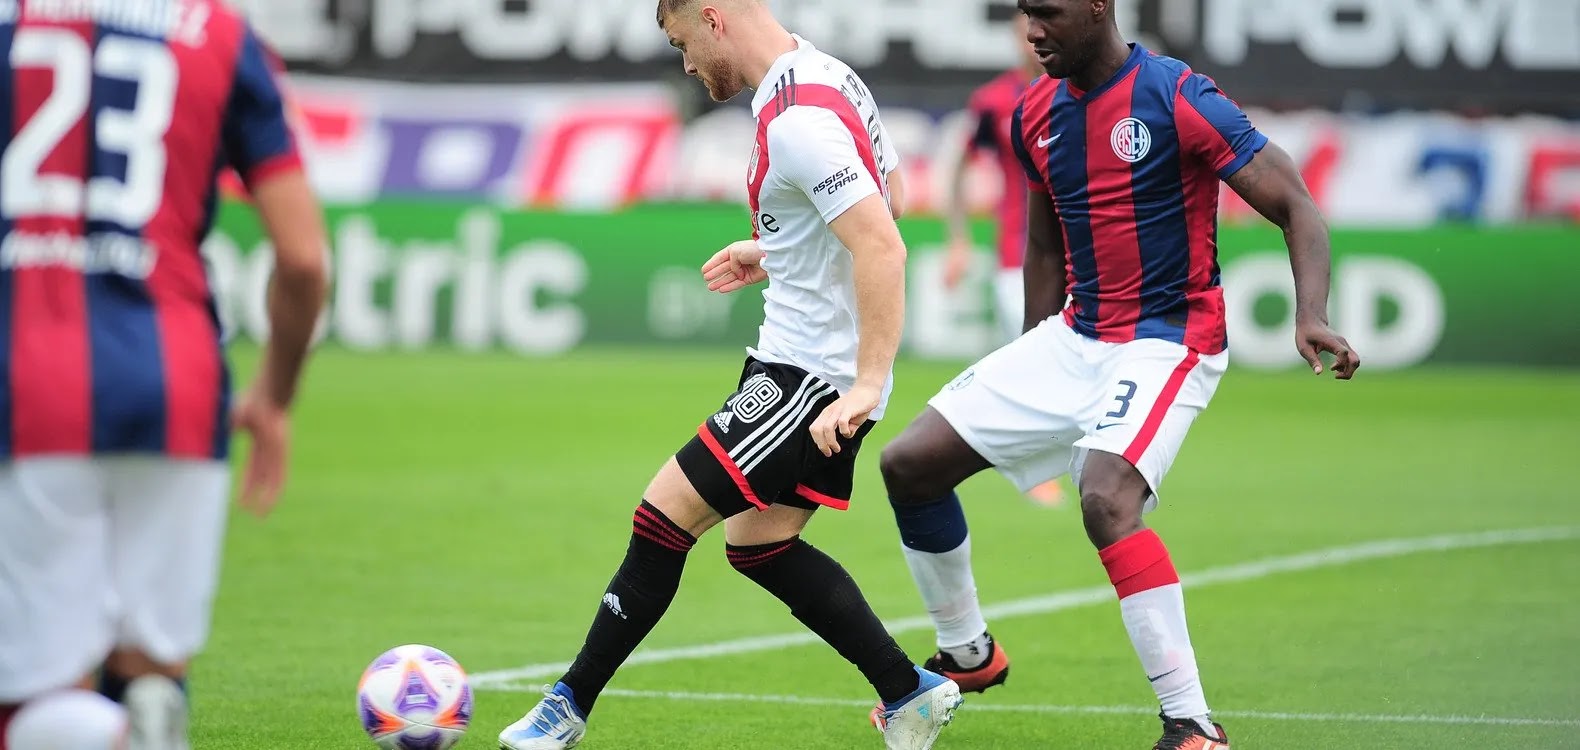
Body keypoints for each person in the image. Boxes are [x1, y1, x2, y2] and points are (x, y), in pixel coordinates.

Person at [875, 1, 1362, 748]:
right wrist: (1029, 360)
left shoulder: (1177, 95)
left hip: (1170, 338)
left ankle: (1192, 725)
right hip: (1076, 336)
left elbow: (1294, 201)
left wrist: (1312, 314)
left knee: (1105, 499)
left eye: (1047, 13)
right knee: (909, 465)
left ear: (1100, 6)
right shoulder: (1034, 111)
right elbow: (1045, 248)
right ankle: (968, 655)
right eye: (1025, 14)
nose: (1031, 31)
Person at [497, 1, 962, 749]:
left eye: (682, 43)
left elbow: (883, 244)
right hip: (808, 368)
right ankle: (909, 691)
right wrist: (778, 251)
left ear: (712, 17)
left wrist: (867, 383)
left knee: (660, 519)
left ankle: (565, 708)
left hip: (808, 380)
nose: (685, 64)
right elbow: (894, 201)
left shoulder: (797, 120)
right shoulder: (827, 75)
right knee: (758, 546)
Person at [0, 1, 330, 749]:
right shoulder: (221, 36)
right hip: (179, 385)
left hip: (30, 381)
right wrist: (275, 398)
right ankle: (149, 719)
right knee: (150, 670)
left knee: (39, 699)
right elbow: (305, 259)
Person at [940, 12, 1066, 508]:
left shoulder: (1083, 91)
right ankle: (1036, 467)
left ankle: (1076, 458)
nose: (1033, 41)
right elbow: (958, 167)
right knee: (1033, 357)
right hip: (1020, 255)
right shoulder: (995, 101)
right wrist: (958, 240)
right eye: (1024, 32)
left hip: (1086, 257)